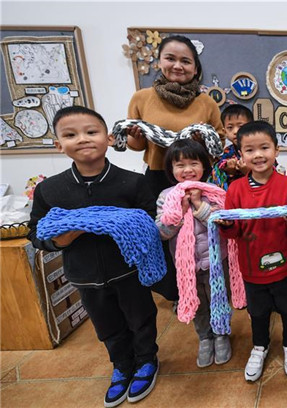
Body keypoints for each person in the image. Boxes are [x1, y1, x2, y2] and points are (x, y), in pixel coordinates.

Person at [27, 106, 160, 407]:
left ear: (109, 138)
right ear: (59, 145)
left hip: (129, 270)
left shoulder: (132, 182)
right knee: (106, 324)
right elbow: (36, 232)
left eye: (91, 131)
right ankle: (121, 365)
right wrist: (61, 239)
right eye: (70, 135)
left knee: (141, 318)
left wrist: (127, 225)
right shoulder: (50, 190)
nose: (83, 139)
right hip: (84, 274)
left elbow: (151, 219)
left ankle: (146, 361)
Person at [125, 34, 224, 302]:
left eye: (185, 61)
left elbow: (219, 140)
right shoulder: (142, 98)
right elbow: (135, 145)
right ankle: (178, 291)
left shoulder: (206, 102)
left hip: (197, 178)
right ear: (160, 62)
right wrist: (135, 135)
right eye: (170, 58)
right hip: (159, 177)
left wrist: (202, 142)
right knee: (165, 233)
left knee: (203, 230)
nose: (178, 66)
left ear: (195, 67)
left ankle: (208, 285)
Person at [215, 121, 287, 382]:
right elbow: (232, 233)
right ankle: (260, 346)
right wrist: (227, 225)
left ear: (276, 150)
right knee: (258, 312)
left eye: (264, 148)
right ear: (240, 155)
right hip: (252, 267)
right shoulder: (235, 189)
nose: (258, 155)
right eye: (250, 150)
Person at [155, 139, 232, 368]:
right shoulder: (166, 197)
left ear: (204, 166)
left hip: (216, 261)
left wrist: (198, 205)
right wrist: (180, 211)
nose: (187, 169)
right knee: (197, 303)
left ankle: (221, 334)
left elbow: (222, 225)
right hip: (186, 266)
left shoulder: (214, 192)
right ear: (171, 169)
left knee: (219, 298)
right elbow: (162, 233)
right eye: (180, 165)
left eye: (193, 163)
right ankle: (205, 338)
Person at [209, 104, 253, 189]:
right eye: (230, 127)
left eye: (241, 126)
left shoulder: (259, 150)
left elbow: (270, 171)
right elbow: (218, 172)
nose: (235, 131)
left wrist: (249, 172)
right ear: (225, 132)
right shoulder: (227, 152)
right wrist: (227, 170)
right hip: (233, 193)